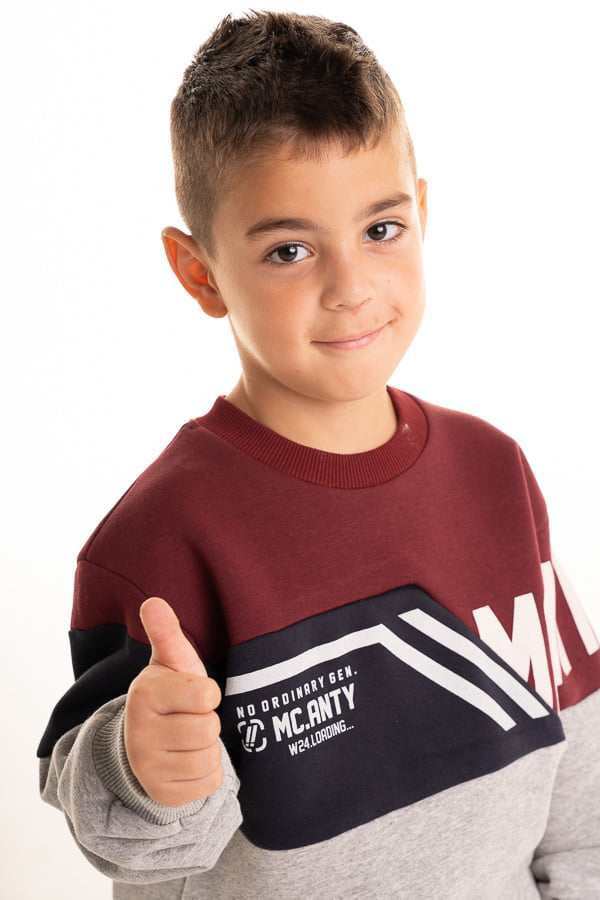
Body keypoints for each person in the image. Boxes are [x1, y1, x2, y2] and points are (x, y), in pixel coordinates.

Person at [37, 10, 600, 900]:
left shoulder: (496, 471)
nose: (351, 288)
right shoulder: (158, 541)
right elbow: (139, 847)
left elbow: (579, 776)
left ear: (422, 213)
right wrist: (143, 770)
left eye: (381, 230)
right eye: (290, 250)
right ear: (200, 272)